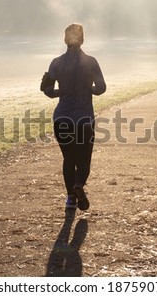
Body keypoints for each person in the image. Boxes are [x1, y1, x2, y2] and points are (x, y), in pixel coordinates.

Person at [41, 23, 106, 210]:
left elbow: (47, 90)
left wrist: (63, 92)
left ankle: (70, 199)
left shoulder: (56, 63)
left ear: (65, 40)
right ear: (83, 39)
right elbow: (101, 88)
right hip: (84, 119)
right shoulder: (91, 62)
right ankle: (78, 186)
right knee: (84, 159)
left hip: (62, 119)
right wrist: (87, 89)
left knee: (69, 159)